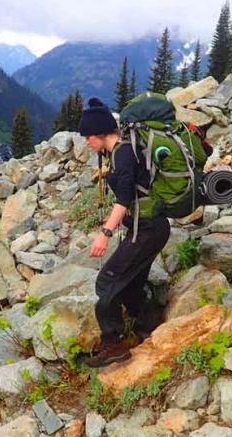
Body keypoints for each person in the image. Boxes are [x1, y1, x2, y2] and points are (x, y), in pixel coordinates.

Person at [78, 98, 170, 367]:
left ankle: (114, 344)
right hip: (150, 228)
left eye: (88, 136)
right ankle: (148, 329)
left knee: (106, 282)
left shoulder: (123, 153)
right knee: (129, 285)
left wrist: (104, 233)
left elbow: (125, 198)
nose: (87, 142)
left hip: (146, 230)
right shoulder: (121, 151)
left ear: (101, 133)